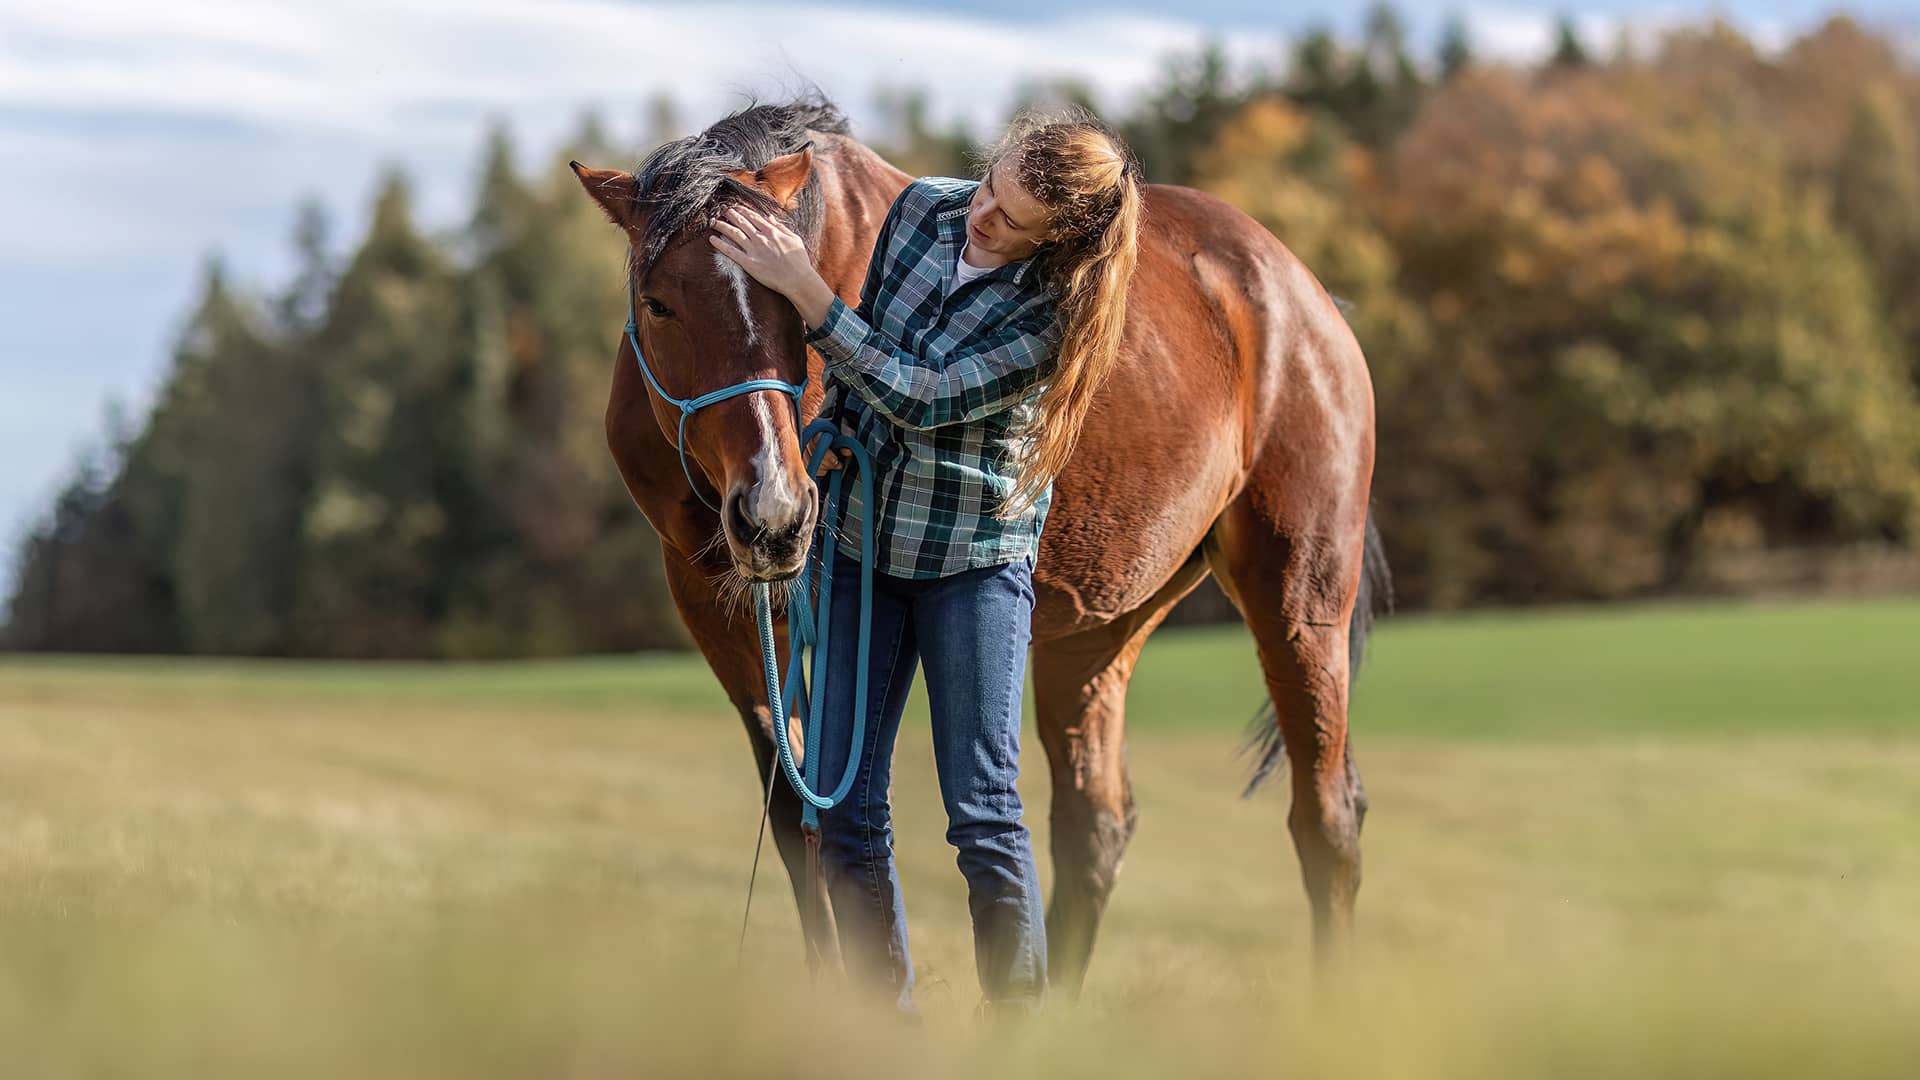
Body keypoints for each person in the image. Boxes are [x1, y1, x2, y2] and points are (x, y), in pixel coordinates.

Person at [709, 108, 1143, 1015]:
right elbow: (875, 364)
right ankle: (884, 1030)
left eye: (1012, 219)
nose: (982, 215)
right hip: (862, 546)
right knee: (842, 809)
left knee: (983, 817)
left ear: (1059, 241)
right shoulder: (925, 213)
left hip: (971, 565)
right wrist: (825, 433)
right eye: (991, 187)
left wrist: (806, 294)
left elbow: (926, 395)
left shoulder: (1058, 312)